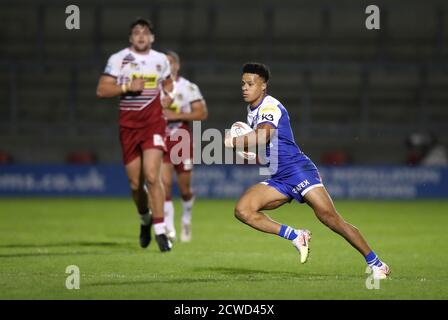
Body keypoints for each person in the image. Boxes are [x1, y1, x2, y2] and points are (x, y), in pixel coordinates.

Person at [224, 62, 390, 280]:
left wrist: (234, 142)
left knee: (331, 219)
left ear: (263, 86)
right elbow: (273, 145)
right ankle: (296, 235)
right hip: (279, 177)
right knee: (243, 210)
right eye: (243, 83)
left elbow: (264, 136)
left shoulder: (269, 106)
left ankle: (377, 264)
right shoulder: (252, 111)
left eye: (250, 83)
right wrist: (255, 155)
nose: (245, 87)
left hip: (298, 170)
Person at [96, 18, 176, 252]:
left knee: (153, 176)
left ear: (152, 37)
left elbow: (169, 84)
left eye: (145, 32)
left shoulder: (161, 60)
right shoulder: (118, 59)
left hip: (153, 124)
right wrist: (126, 88)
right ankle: (145, 219)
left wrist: (166, 96)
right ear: (131, 38)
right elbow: (101, 89)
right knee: (135, 184)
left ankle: (161, 231)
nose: (141, 36)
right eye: (136, 33)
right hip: (129, 127)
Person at [161, 50, 208, 242]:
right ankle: (169, 227)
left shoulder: (188, 87)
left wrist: (177, 115)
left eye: (170, 62)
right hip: (160, 138)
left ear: (177, 65)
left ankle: (186, 217)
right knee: (164, 184)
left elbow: (201, 113)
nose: (167, 66)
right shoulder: (154, 88)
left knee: (184, 189)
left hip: (182, 139)